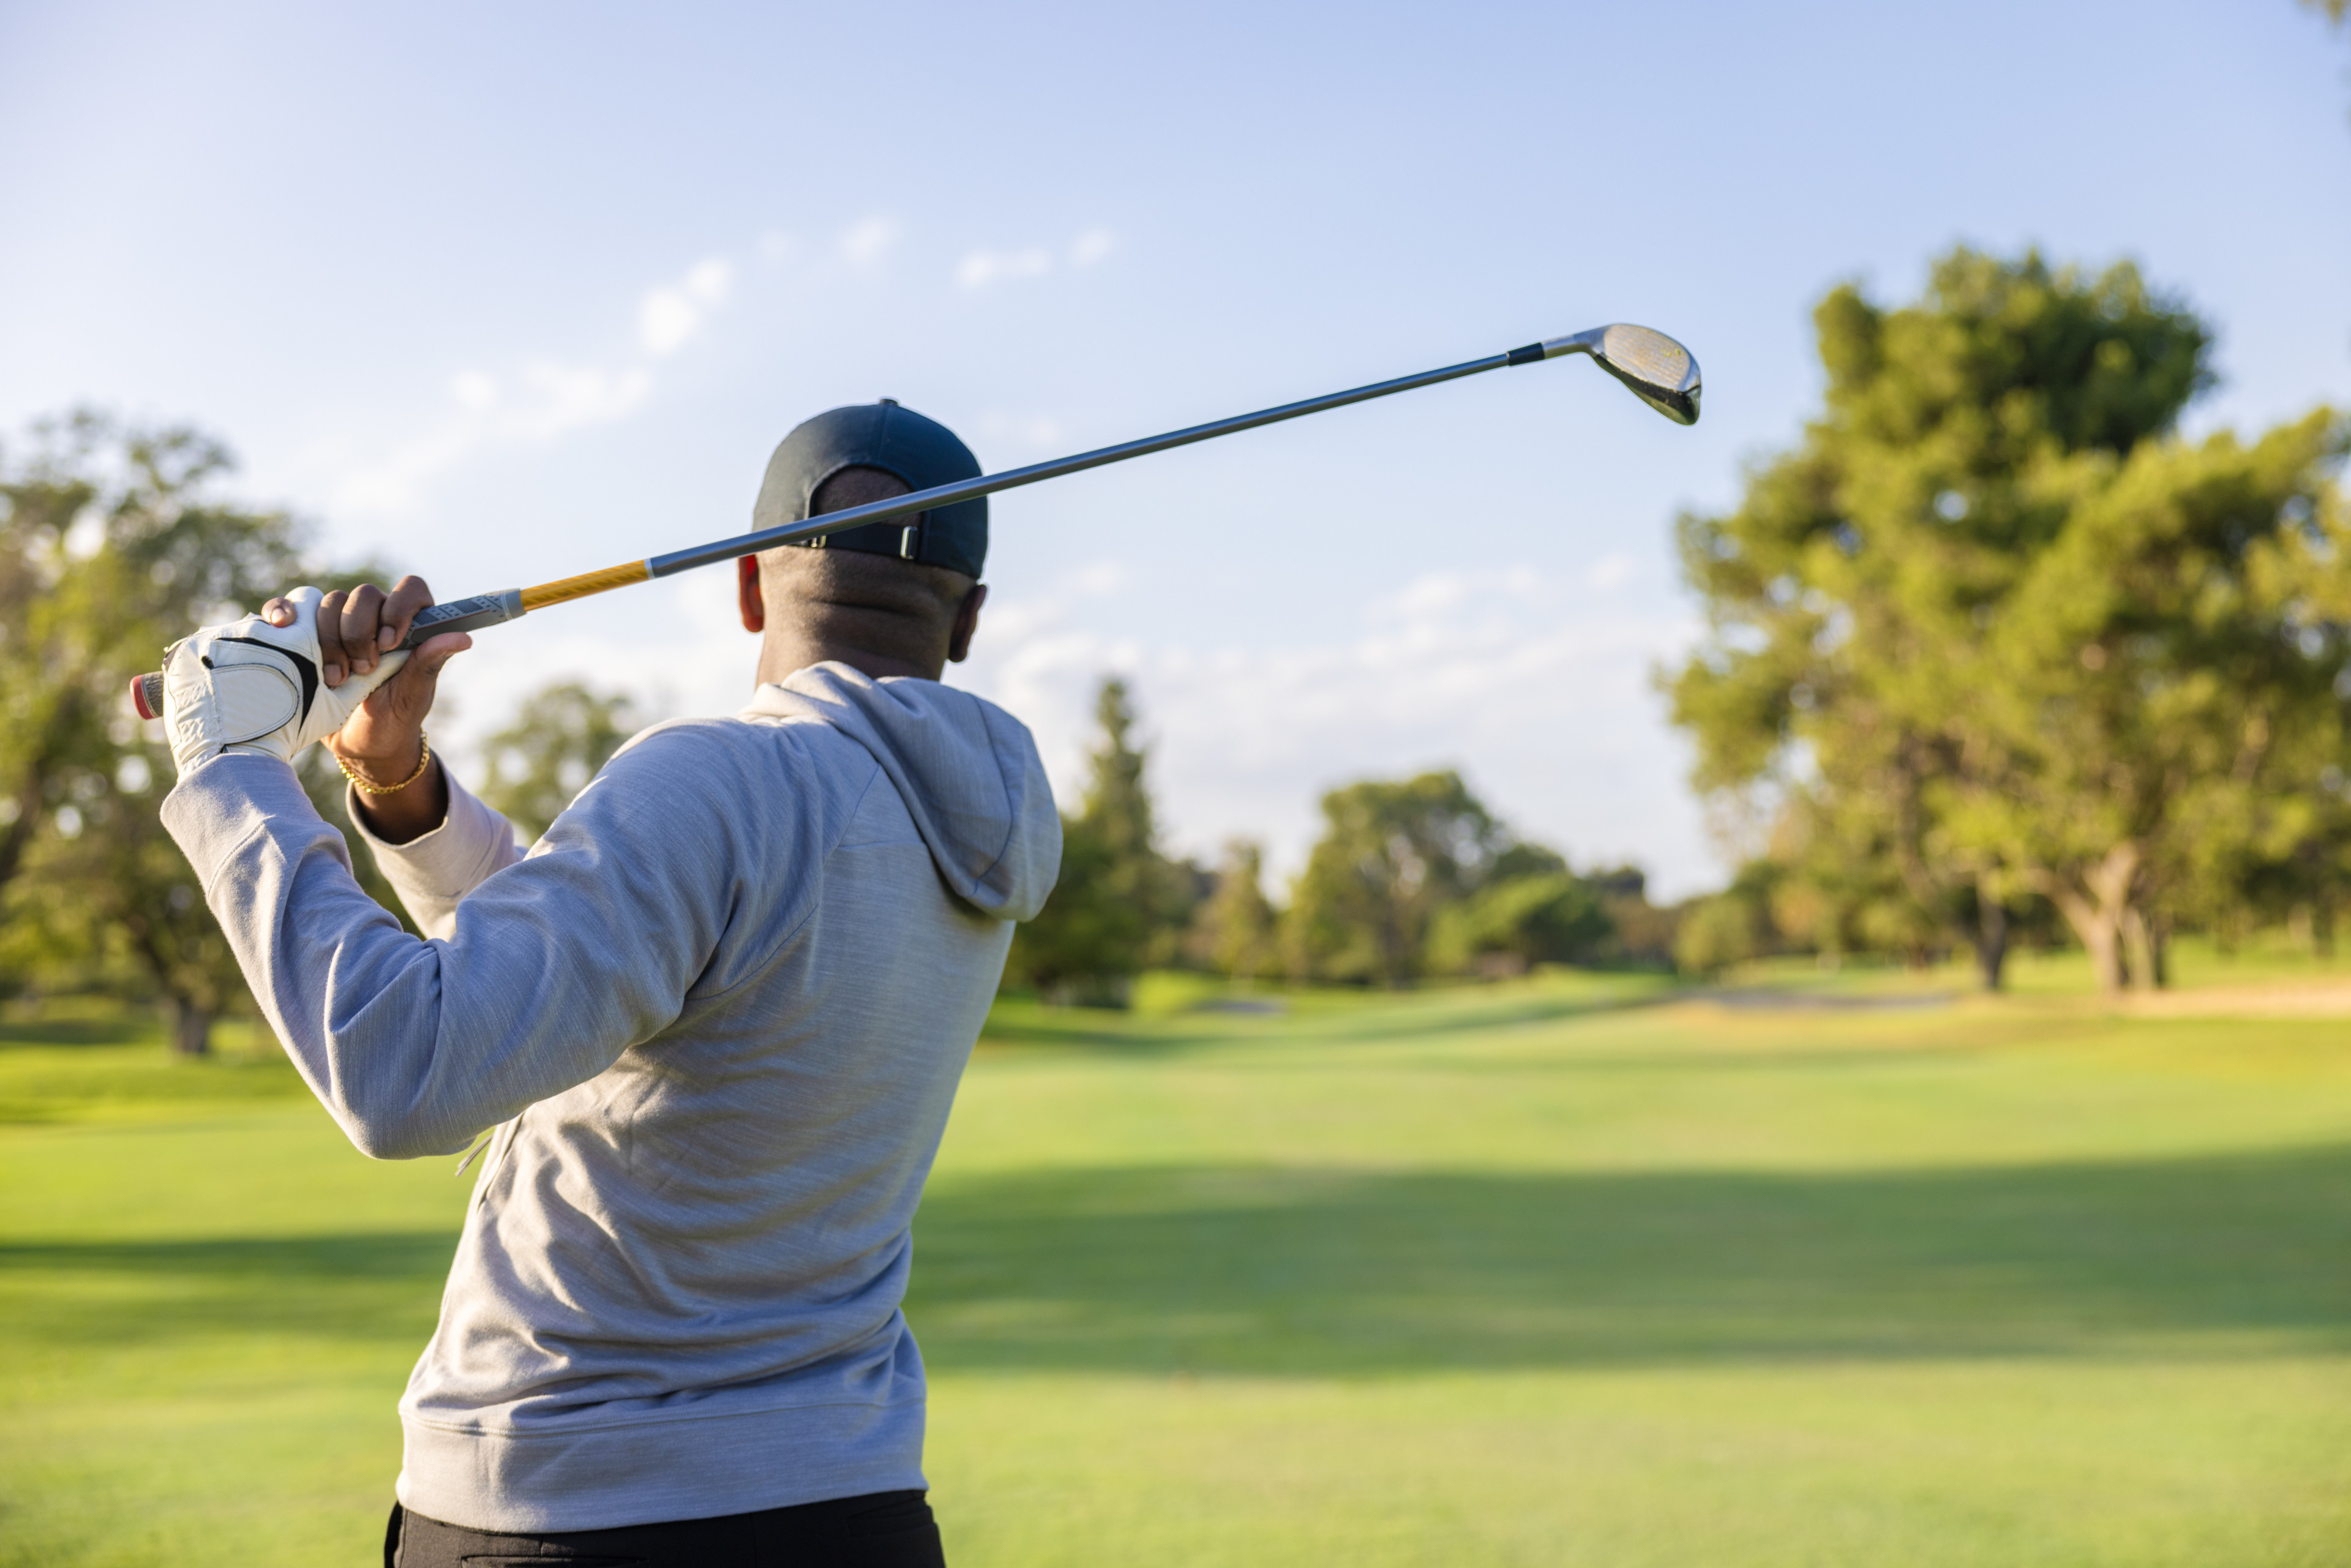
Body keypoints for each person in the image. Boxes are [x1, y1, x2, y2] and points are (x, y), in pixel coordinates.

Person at [156, 402, 1060, 1567]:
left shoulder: (720, 779)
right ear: (970, 618)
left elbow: (406, 1071)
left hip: (577, 1510)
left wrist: (231, 767)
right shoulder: (967, 818)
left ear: (746, 585)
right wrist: (399, 782)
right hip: (853, 1505)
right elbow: (599, 974)